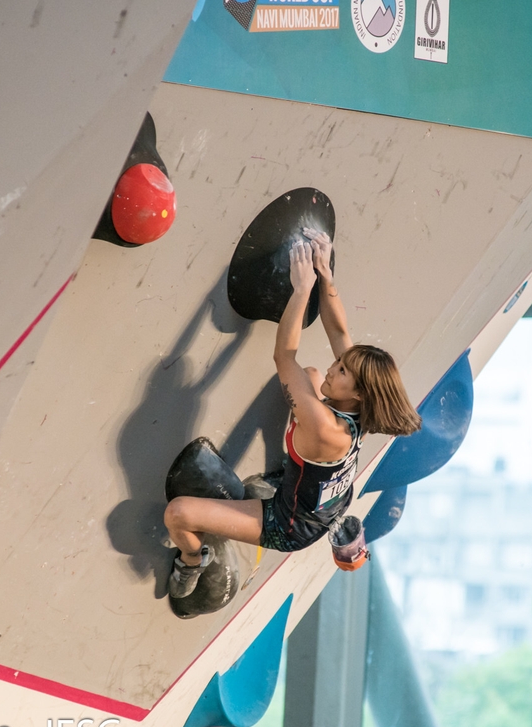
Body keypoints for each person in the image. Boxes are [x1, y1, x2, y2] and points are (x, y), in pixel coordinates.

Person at [164, 228, 422, 598]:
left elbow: (284, 356)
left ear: (360, 394)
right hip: (324, 499)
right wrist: (325, 275)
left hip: (288, 524)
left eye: (344, 371)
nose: (336, 367)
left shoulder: (323, 426)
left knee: (179, 514)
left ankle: (192, 564)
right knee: (313, 378)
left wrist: (301, 290)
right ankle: (288, 476)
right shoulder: (363, 407)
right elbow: (338, 328)